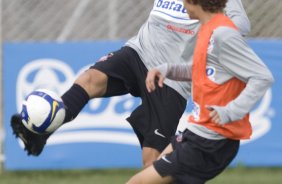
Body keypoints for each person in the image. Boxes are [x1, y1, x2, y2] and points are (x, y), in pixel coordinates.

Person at [11, 0, 250, 167]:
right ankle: (41, 132)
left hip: (169, 79)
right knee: (89, 79)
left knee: (151, 160)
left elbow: (241, 24)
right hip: (138, 51)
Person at [126, 0, 274, 183]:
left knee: (138, 182)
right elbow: (200, 69)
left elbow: (262, 76)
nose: (182, 6)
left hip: (212, 141)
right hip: (196, 130)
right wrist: (168, 70)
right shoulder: (208, 29)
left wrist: (231, 111)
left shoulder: (224, 35)